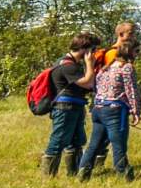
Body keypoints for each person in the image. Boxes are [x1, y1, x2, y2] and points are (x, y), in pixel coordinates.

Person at [41, 32, 101, 177]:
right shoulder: (67, 66)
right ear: (84, 49)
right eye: (93, 50)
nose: (93, 54)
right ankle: (48, 176)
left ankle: (73, 173)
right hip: (65, 108)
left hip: (75, 107)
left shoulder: (72, 64)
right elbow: (88, 83)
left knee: (76, 141)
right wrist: (89, 64)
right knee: (59, 141)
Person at [80, 38, 141, 181]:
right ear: (130, 52)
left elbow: (97, 87)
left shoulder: (105, 67)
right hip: (115, 111)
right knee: (118, 143)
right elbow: (132, 90)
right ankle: (124, 174)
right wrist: (136, 110)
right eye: (137, 51)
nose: (138, 54)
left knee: (94, 144)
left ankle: (83, 172)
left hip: (99, 108)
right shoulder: (126, 67)